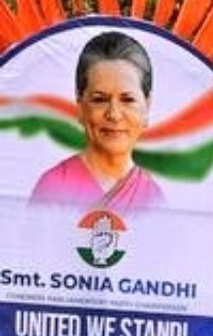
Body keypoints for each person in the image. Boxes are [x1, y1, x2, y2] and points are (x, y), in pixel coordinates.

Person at [29, 31, 165, 213]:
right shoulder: (53, 188)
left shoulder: (154, 198)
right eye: (100, 99)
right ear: (80, 104)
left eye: (127, 100)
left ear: (147, 106)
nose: (114, 115)